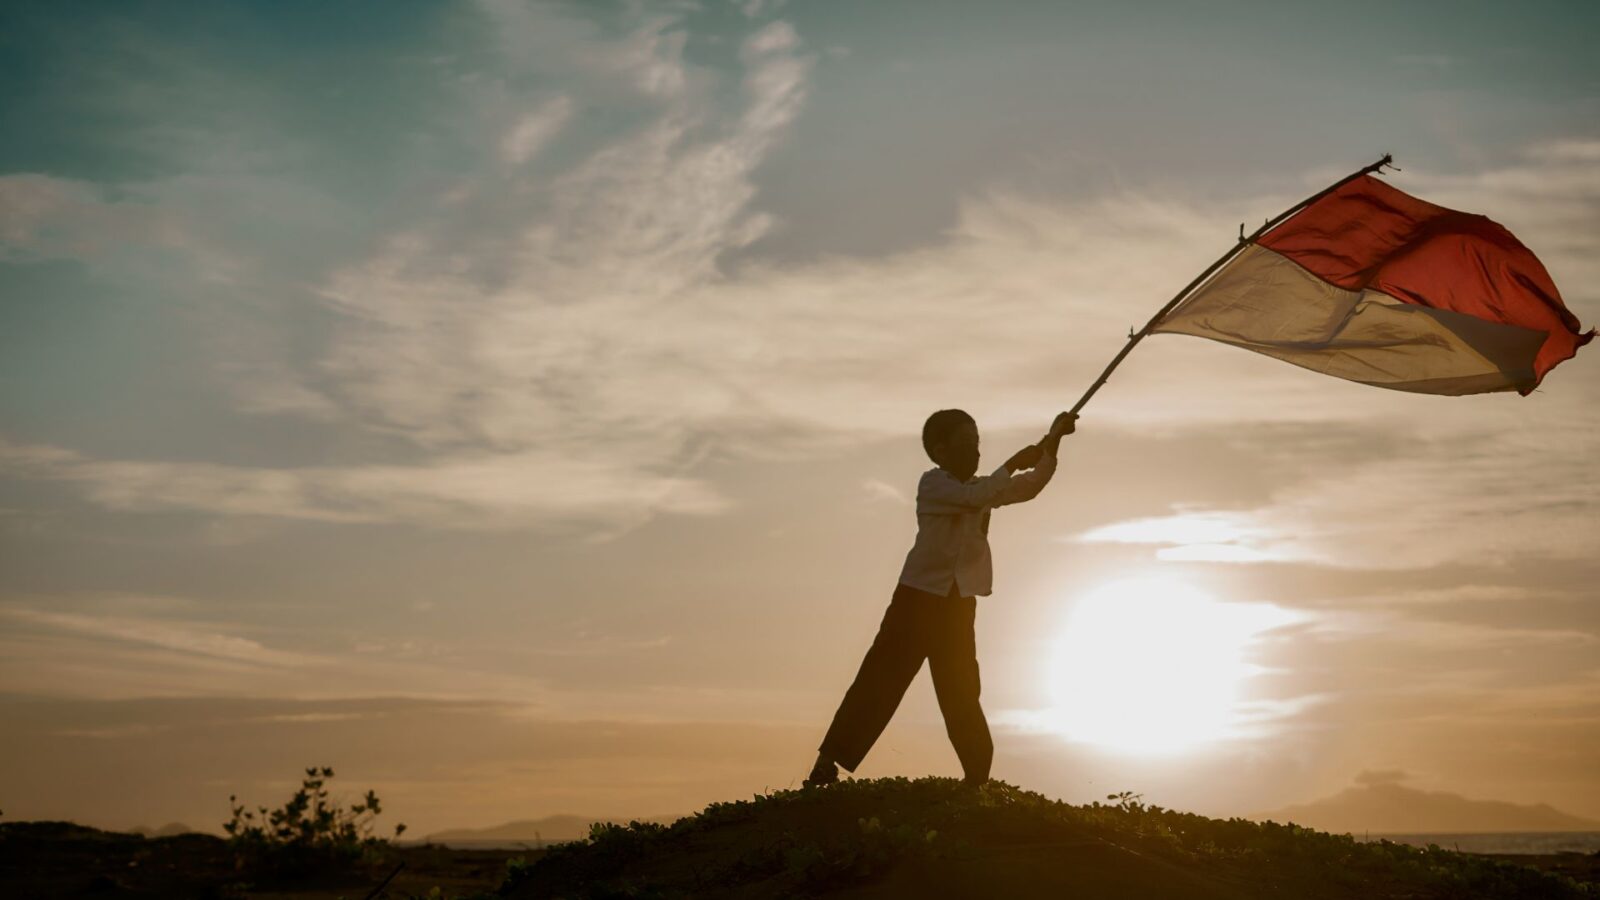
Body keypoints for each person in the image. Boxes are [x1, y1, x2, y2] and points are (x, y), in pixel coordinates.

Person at [805, 409, 1078, 788]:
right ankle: (827, 764)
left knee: (963, 689)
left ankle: (977, 779)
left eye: (977, 444)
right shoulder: (934, 485)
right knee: (879, 680)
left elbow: (1029, 487)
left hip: (958, 603)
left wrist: (1053, 442)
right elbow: (976, 496)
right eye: (967, 444)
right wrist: (1013, 463)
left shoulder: (985, 488)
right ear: (940, 451)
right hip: (916, 599)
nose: (976, 452)